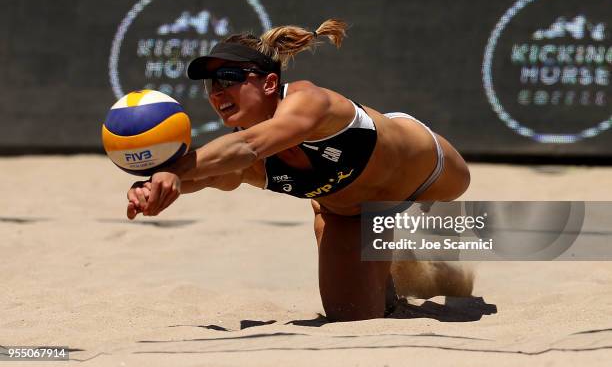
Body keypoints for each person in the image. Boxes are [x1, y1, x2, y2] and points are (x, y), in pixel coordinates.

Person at [126, 19, 473, 322]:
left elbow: (246, 146)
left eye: (228, 77)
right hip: (352, 215)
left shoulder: (308, 101)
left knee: (471, 202)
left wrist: (176, 170)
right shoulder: (243, 157)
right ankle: (361, 241)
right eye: (210, 84)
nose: (217, 91)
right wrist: (151, 188)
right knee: (353, 316)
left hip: (424, 173)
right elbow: (210, 173)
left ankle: (399, 244)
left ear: (269, 83)